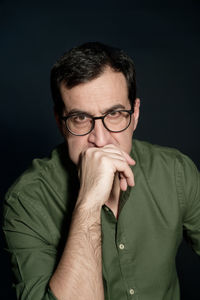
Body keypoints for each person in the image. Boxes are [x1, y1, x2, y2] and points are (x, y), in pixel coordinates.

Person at [3, 42, 200, 300]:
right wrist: (89, 201)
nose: (100, 138)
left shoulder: (176, 172)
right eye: (81, 118)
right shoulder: (26, 201)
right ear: (60, 123)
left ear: (136, 114)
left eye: (115, 113)